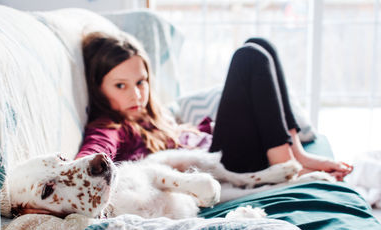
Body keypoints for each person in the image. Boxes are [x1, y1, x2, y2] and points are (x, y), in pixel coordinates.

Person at [76, 32, 353, 181]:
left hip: (218, 150)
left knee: (259, 44)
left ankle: (297, 154)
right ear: (98, 89)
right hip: (221, 167)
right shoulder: (111, 127)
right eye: (120, 86)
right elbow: (91, 158)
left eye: (141, 82)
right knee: (248, 57)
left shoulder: (151, 117)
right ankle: (286, 167)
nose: (137, 94)